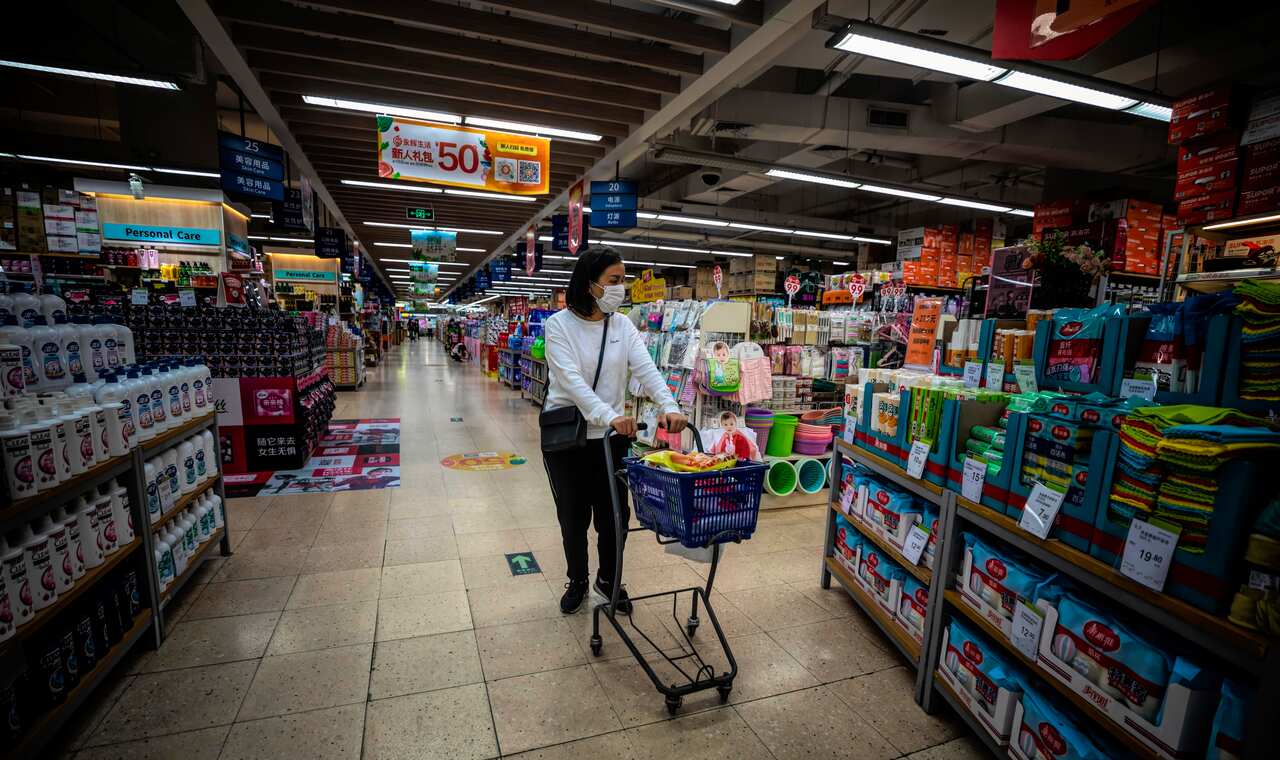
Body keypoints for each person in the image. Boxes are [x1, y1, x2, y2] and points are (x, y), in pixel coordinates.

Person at [542, 247, 688, 615]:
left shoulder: (623, 325)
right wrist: (607, 414)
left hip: (611, 439)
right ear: (590, 284)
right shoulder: (558, 326)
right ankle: (577, 579)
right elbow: (571, 381)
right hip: (570, 437)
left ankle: (609, 578)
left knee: (615, 518)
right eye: (614, 281)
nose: (621, 288)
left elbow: (647, 370)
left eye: (623, 280)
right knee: (574, 517)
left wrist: (668, 405)